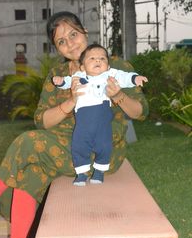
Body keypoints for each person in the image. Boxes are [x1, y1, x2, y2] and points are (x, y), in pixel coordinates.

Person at [0, 11, 148, 238]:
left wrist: (118, 95)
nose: (70, 43)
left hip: (102, 150)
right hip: (62, 146)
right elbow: (42, 120)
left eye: (73, 34)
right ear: (58, 48)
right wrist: (70, 101)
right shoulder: (58, 76)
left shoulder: (113, 65)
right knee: (31, 169)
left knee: (28, 142)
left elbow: (141, 112)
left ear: (85, 32)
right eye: (62, 41)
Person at [52, 43, 148, 185]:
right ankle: (81, 174)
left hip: (102, 120)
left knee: (104, 146)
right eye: (92, 58)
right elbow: (67, 82)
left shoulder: (109, 76)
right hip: (83, 122)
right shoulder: (78, 76)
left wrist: (135, 79)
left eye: (102, 59)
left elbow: (124, 77)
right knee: (79, 146)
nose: (98, 61)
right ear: (83, 67)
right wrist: (60, 81)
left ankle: (99, 172)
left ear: (108, 66)